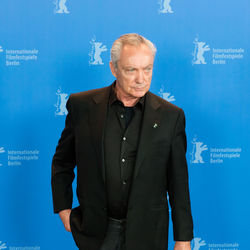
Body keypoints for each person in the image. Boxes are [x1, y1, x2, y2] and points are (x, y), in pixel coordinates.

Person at [51, 33, 193, 250]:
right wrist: (63, 209)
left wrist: (183, 239)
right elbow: (62, 162)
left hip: (148, 234)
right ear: (114, 68)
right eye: (131, 70)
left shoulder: (171, 117)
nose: (141, 78)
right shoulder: (82, 106)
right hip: (96, 233)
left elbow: (179, 183)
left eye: (147, 69)